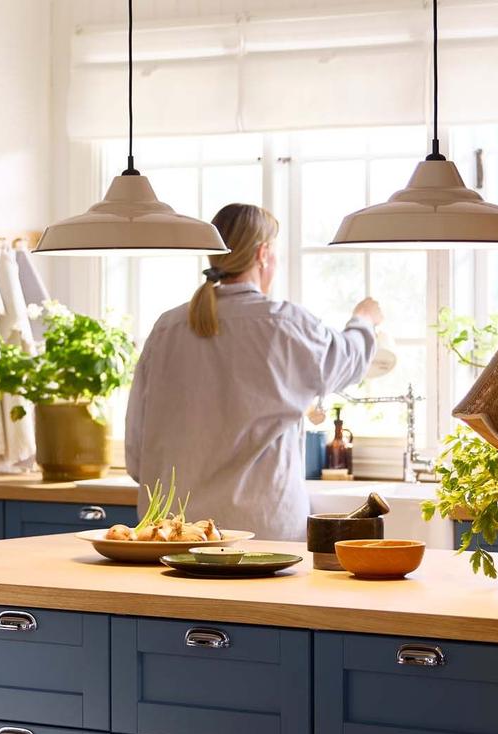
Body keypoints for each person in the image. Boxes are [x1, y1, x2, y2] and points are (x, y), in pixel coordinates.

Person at [124, 203, 383, 541]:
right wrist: (364, 321)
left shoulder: (166, 328)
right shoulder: (282, 324)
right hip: (262, 536)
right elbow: (346, 359)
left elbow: (135, 455)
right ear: (263, 254)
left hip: (174, 535)